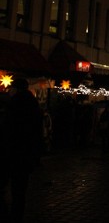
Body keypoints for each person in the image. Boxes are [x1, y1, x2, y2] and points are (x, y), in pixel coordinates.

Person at [0, 77, 44, 223]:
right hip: (26, 154)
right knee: (20, 190)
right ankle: (17, 215)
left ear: (15, 89)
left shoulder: (13, 104)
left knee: (5, 185)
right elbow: (38, 132)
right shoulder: (34, 105)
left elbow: (7, 129)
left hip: (10, 152)